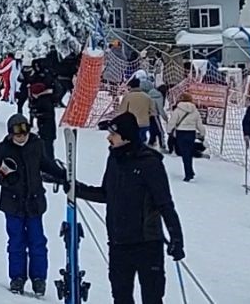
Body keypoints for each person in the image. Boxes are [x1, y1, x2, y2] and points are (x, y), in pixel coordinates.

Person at [74, 112, 185, 304]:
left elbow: (165, 203)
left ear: (125, 136)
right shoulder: (114, 159)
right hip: (119, 243)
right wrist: (77, 189)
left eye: (113, 134)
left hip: (147, 244)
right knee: (121, 297)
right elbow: (106, 194)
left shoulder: (149, 163)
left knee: (152, 298)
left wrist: (177, 238)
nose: (108, 138)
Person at [0, 113, 67, 295]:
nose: (22, 136)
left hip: (34, 203)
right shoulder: (3, 149)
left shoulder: (36, 145)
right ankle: (17, 278)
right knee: (16, 242)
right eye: (17, 133)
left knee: (37, 242)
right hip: (12, 204)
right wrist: (3, 180)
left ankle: (39, 279)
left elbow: (45, 164)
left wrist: (62, 175)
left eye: (25, 131)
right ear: (10, 134)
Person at [21, 54, 60, 164]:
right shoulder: (43, 76)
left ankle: (48, 162)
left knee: (46, 138)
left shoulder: (41, 76)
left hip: (43, 111)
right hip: (45, 111)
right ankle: (48, 162)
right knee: (47, 138)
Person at [167, 92, 202, 182]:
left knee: (184, 153)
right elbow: (199, 124)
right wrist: (202, 133)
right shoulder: (195, 111)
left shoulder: (178, 110)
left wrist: (169, 130)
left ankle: (188, 174)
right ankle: (190, 171)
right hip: (191, 133)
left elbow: (172, 122)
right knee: (188, 152)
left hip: (181, 133)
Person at [116, 78, 159, 148]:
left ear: (130, 87)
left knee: (134, 143)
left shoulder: (127, 97)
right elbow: (153, 112)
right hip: (145, 124)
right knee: (142, 140)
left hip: (132, 124)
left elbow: (122, 111)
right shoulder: (147, 97)